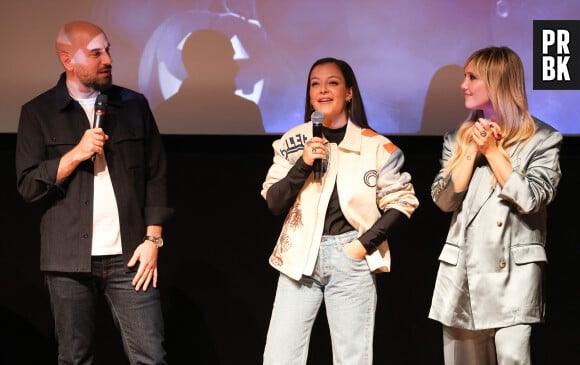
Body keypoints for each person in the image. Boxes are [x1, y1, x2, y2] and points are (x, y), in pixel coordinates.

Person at [15, 21, 173, 364]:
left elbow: (156, 175)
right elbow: (28, 186)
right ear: (67, 60)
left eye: (108, 50)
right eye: (96, 52)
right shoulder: (38, 113)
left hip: (131, 257)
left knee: (151, 356)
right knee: (75, 358)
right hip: (67, 260)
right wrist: (75, 154)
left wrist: (153, 240)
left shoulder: (134, 106)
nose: (108, 59)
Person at [260, 57, 419, 364]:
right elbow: (274, 202)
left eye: (332, 83)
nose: (322, 90)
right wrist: (303, 163)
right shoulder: (293, 141)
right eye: (315, 84)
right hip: (299, 259)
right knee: (279, 357)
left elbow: (402, 201)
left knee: (352, 358)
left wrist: (362, 245)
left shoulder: (376, 146)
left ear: (348, 93)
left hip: (349, 256)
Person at [428, 46, 562, 365]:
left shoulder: (542, 139)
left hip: (514, 278)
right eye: (464, 76)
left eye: (472, 77)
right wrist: (472, 150)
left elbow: (530, 198)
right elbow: (444, 200)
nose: (464, 84)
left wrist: (493, 152)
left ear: (498, 82)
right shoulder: (455, 138)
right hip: (461, 276)